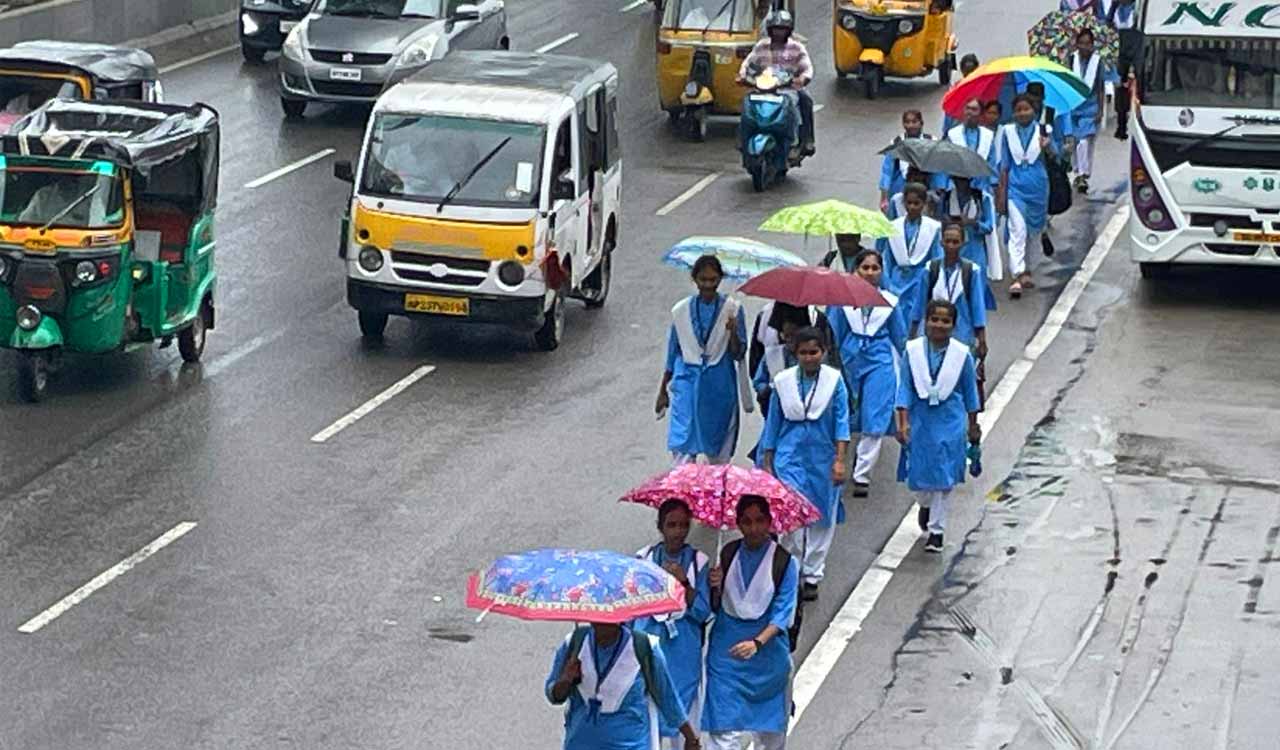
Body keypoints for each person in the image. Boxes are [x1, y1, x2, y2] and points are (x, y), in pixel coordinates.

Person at [704, 495, 800, 750]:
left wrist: (757, 643)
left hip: (767, 660)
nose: (753, 528)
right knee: (723, 732)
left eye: (759, 521)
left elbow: (782, 614)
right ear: (738, 524)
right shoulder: (727, 553)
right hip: (726, 657)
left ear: (769, 522)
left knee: (770, 736)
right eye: (746, 521)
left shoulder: (785, 562)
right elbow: (714, 606)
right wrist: (714, 586)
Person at [759, 327, 849, 599]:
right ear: (794, 353)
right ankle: (793, 568)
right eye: (803, 353)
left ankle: (813, 572)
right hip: (790, 458)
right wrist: (767, 461)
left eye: (814, 352)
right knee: (791, 514)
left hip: (822, 457)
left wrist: (840, 460)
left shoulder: (835, 382)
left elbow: (842, 422)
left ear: (824, 352)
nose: (809, 358)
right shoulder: (783, 382)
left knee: (822, 516)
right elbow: (773, 423)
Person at [894, 299, 982, 554]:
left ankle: (937, 531)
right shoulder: (912, 351)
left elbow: (969, 392)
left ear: (954, 325)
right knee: (919, 477)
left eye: (945, 321)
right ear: (926, 321)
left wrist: (973, 425)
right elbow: (905, 388)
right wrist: (902, 421)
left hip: (950, 420)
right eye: (935, 319)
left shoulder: (961, 354)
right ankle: (925, 504)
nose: (939, 325)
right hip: (921, 419)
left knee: (944, 476)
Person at [827, 248, 908, 497]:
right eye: (865, 268)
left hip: (880, 361)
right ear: (856, 271)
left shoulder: (890, 303)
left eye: (875, 268)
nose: (870, 273)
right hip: (849, 361)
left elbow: (901, 339)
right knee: (846, 414)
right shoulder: (841, 302)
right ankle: (839, 458)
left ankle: (862, 474)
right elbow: (832, 336)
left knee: (876, 414)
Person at [547, 621, 702, 750]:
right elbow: (553, 695)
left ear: (620, 621)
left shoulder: (644, 647)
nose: (599, 629)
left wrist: (690, 737)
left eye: (607, 623)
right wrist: (566, 680)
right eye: (596, 621)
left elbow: (667, 697)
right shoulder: (574, 643)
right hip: (580, 742)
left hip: (631, 743)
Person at [635, 499, 713, 750]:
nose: (678, 531)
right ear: (660, 527)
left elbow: (702, 611)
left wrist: (685, 584)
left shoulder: (698, 562)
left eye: (683, 525)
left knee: (684, 713)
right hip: (649, 647)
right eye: (671, 525)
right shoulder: (643, 559)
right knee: (649, 718)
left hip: (683, 652)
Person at [656, 255, 748, 465]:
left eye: (713, 280)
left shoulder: (732, 310)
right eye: (703, 280)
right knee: (683, 445)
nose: (708, 286)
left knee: (718, 448)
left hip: (719, 385)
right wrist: (663, 390)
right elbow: (673, 353)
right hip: (687, 382)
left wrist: (733, 332)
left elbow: (739, 353)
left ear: (720, 280)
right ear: (694, 279)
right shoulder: (681, 311)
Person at [997, 94, 1056, 299]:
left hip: (1038, 186)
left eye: (1026, 109)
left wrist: (1048, 146)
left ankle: (1028, 269)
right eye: (1018, 110)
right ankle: (1017, 273)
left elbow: (1057, 156)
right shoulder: (1007, 132)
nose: (1022, 113)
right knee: (1017, 229)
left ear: (1034, 111)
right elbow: (1004, 164)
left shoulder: (1044, 130)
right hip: (1015, 187)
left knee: (1034, 230)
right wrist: (1002, 191)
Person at [739, 9, 815, 156]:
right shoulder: (761, 46)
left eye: (782, 30)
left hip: (788, 88)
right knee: (747, 104)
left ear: (788, 31)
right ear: (770, 30)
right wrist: (742, 76)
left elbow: (807, 68)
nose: (778, 33)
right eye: (776, 29)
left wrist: (803, 78)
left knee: (805, 100)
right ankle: (743, 138)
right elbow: (748, 63)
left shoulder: (797, 48)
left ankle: (804, 139)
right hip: (763, 88)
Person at [916, 222, 988, 360]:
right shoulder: (931, 269)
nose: (951, 246)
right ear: (941, 242)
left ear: (963, 243)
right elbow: (919, 305)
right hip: (934, 334)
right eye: (947, 241)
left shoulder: (971, 271)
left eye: (955, 242)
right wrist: (912, 335)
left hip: (962, 334)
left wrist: (982, 340)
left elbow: (977, 308)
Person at [878, 182, 942, 329]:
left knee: (916, 318)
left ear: (924, 204)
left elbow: (936, 258)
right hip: (896, 280)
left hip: (920, 280)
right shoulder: (894, 226)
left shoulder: (932, 228)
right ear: (903, 203)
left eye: (917, 203)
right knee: (896, 319)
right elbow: (888, 259)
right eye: (909, 203)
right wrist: (887, 284)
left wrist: (932, 284)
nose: (912, 207)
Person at [949, 174, 1001, 308]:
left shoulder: (982, 199)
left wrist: (973, 223)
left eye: (963, 180)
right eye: (957, 179)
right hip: (954, 249)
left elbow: (989, 226)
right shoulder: (947, 199)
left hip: (975, 250)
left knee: (977, 291)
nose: (961, 184)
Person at [1068, 29, 1108, 194]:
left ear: (1092, 45)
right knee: (1076, 142)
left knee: (1085, 142)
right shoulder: (1072, 60)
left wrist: (1100, 109)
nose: (1085, 47)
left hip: (1090, 108)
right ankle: (1078, 171)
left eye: (1088, 43)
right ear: (1077, 44)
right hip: (1074, 107)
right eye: (1081, 43)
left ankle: (1083, 174)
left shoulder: (1098, 62)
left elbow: (1100, 87)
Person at [1097, 0, 1141, 140]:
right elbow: (1107, 26)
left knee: (1138, 87)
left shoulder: (1137, 8)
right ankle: (1121, 125)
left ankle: (1139, 120)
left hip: (1135, 50)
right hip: (1119, 51)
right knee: (1120, 87)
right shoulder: (1115, 9)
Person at [879, 109, 931, 214]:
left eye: (914, 122)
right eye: (907, 122)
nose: (910, 125)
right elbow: (887, 171)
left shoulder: (930, 141)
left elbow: (938, 171)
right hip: (900, 187)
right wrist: (884, 197)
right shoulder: (896, 143)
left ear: (921, 123)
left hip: (925, 186)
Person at [946, 97, 999, 192]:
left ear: (981, 114)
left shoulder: (987, 135)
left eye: (974, 109)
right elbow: (946, 162)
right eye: (967, 108)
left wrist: (994, 184)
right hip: (958, 185)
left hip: (982, 185)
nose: (969, 112)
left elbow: (992, 162)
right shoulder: (953, 134)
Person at [940, 53, 982, 132]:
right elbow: (949, 110)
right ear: (962, 70)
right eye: (967, 71)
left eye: (971, 71)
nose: (969, 74)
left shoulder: (981, 86)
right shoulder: (956, 88)